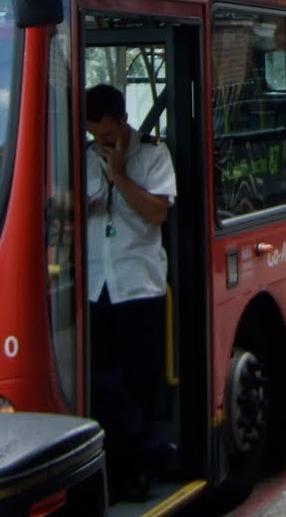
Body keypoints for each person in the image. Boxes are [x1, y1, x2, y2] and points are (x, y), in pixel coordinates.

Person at [84, 83, 176, 503]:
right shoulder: (84, 158)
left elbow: (158, 212)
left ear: (122, 121)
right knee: (103, 380)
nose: (103, 141)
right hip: (96, 284)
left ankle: (140, 468)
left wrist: (119, 176)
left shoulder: (153, 154)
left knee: (140, 381)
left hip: (139, 285)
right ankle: (129, 457)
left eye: (108, 134)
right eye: (95, 135)